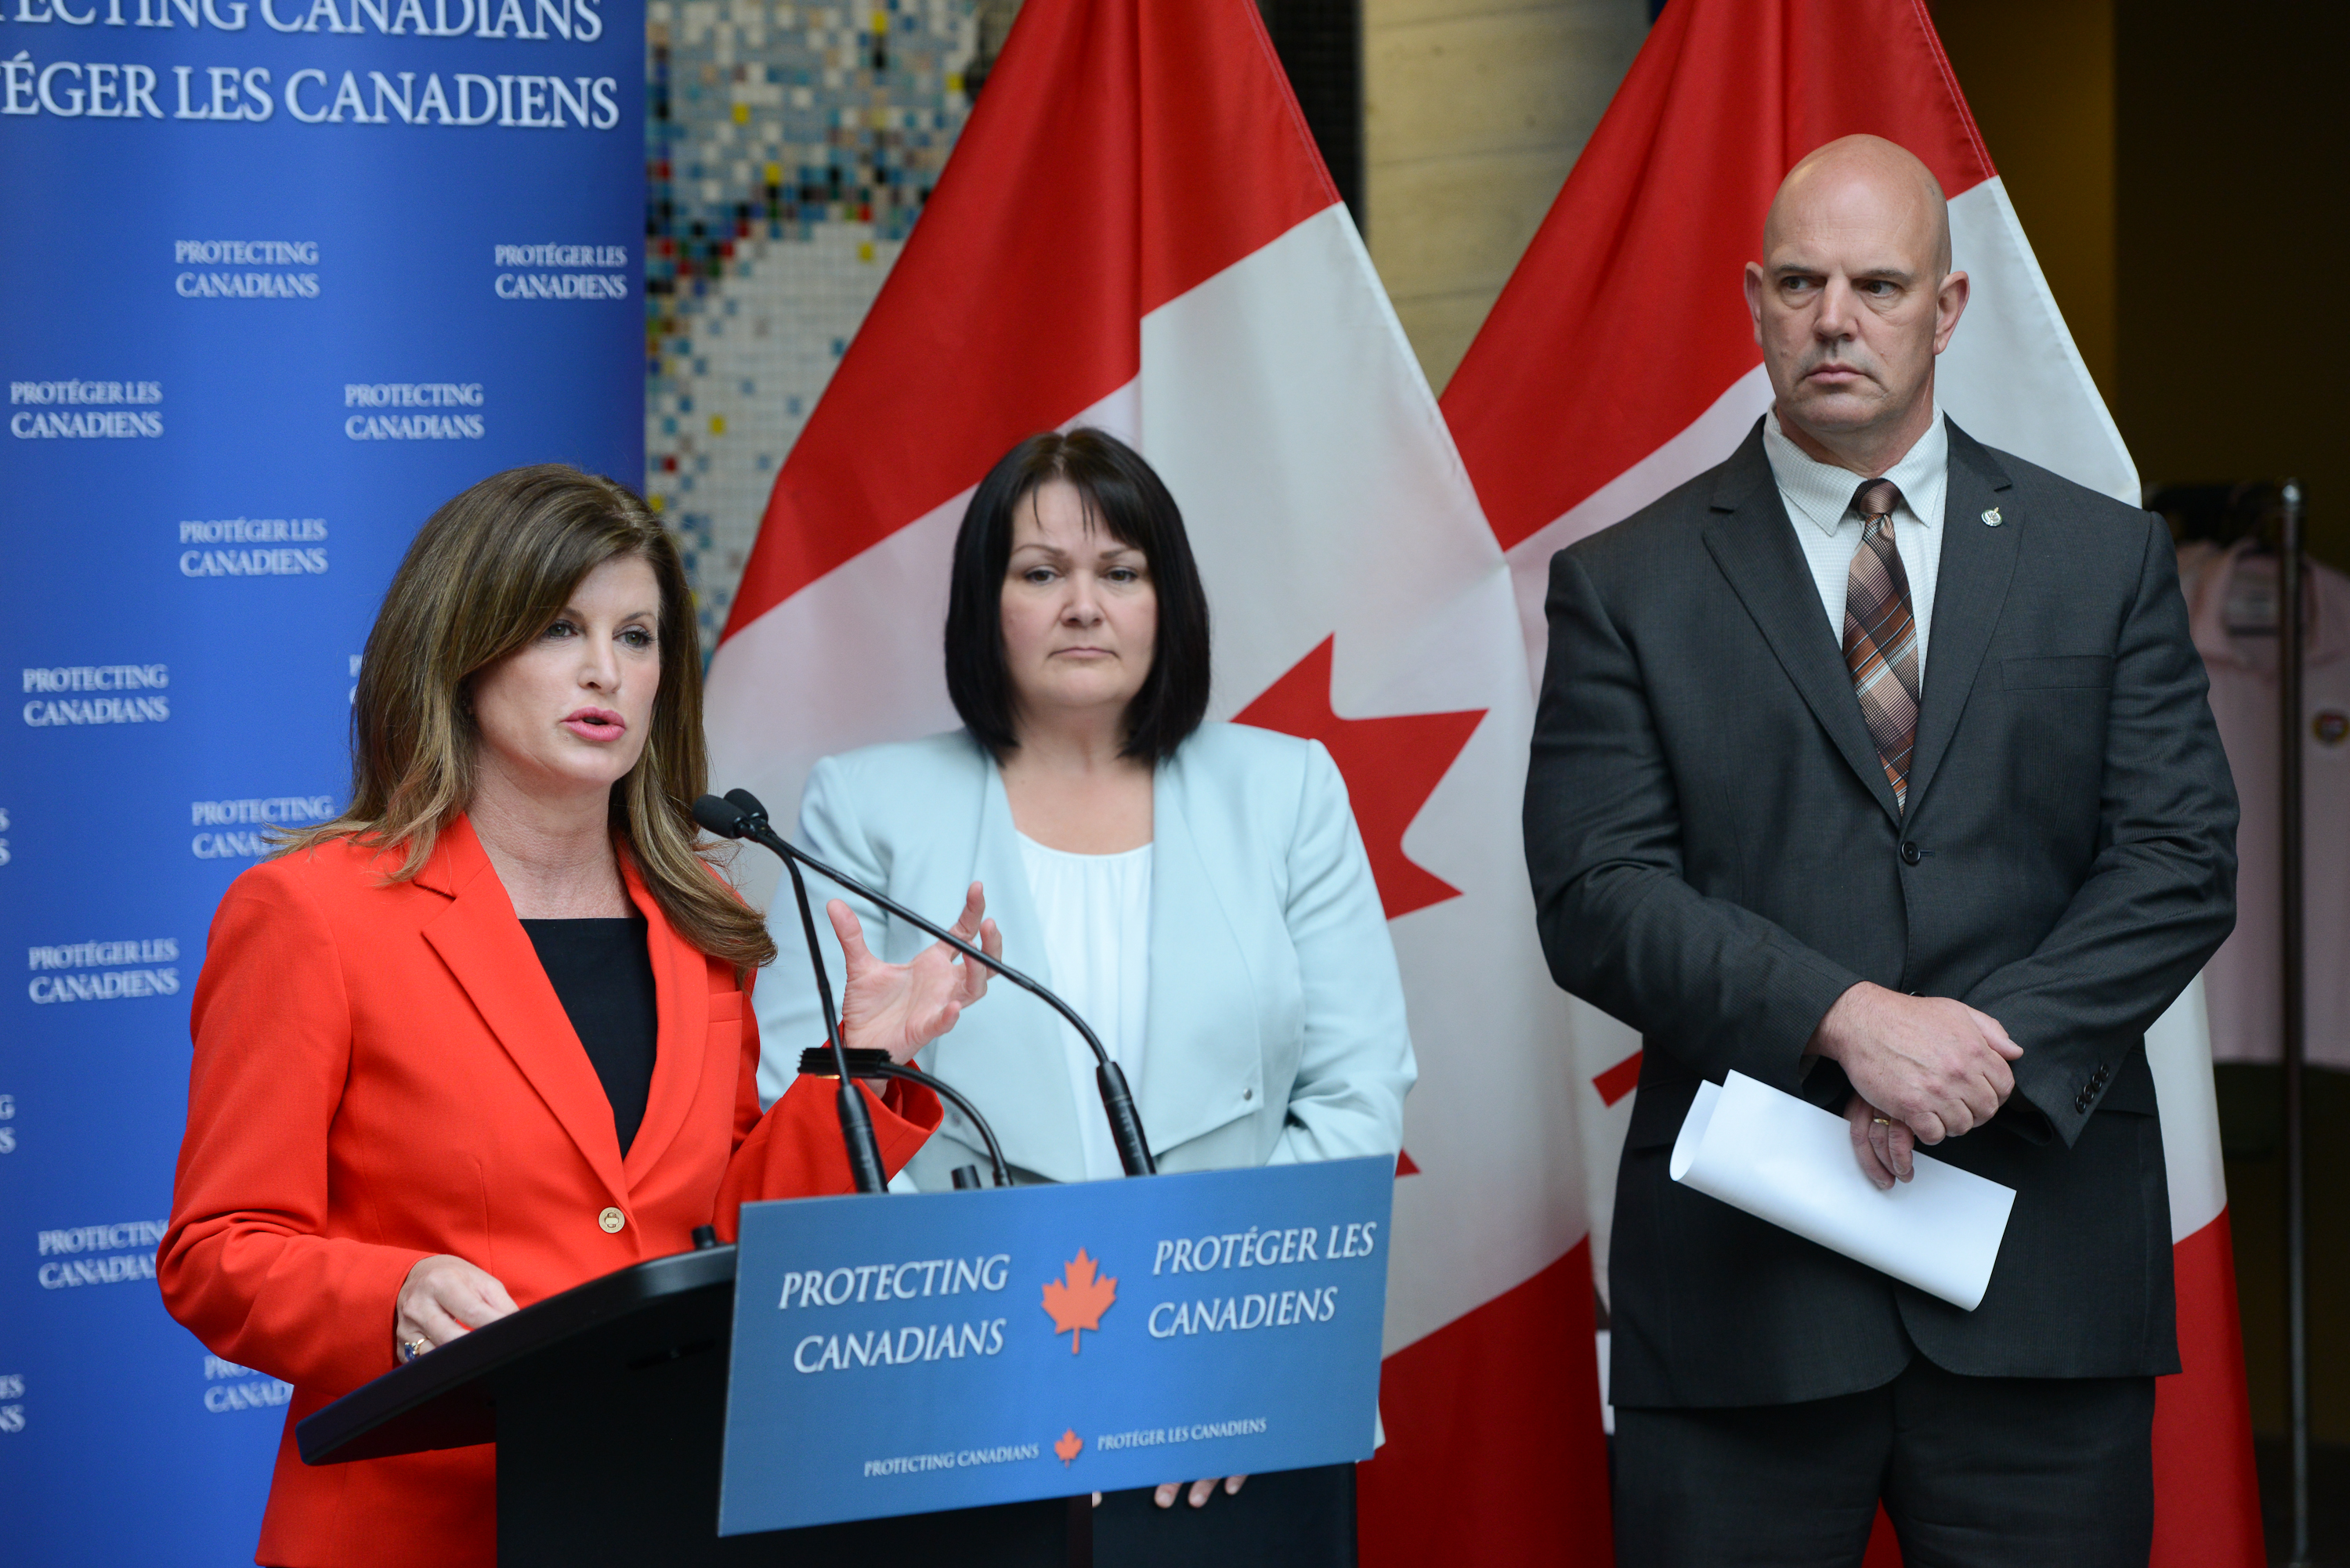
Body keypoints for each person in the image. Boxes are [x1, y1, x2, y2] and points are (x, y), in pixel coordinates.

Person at [1522, 135, 2238, 1566]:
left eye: (1876, 283)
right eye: (1800, 282)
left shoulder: (2102, 556)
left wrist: (1973, 1057)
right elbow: (1597, 895)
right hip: (1743, 1300)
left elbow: (2178, 855)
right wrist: (1847, 1024)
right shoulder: (1625, 582)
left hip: (2041, 1279)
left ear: (1949, 308)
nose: (1834, 316)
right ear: (1754, 299)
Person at [158, 465, 996, 1568]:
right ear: (465, 645)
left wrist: (861, 1065)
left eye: (638, 636)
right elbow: (219, 1250)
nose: (607, 670)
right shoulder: (314, 913)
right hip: (424, 1528)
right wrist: (394, 1292)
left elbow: (723, 1231)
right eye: (562, 627)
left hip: (669, 1505)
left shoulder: (702, 914)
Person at [758, 428, 1413, 1550]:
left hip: (1237, 1410)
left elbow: (1356, 1092)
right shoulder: (860, 805)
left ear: (1169, 600)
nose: (1083, 605)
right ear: (983, 602)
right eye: (1040, 572)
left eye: (1121, 571)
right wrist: (1021, 1363)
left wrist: (1213, 1357)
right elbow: (800, 1105)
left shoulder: (1287, 787)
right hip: (961, 1411)